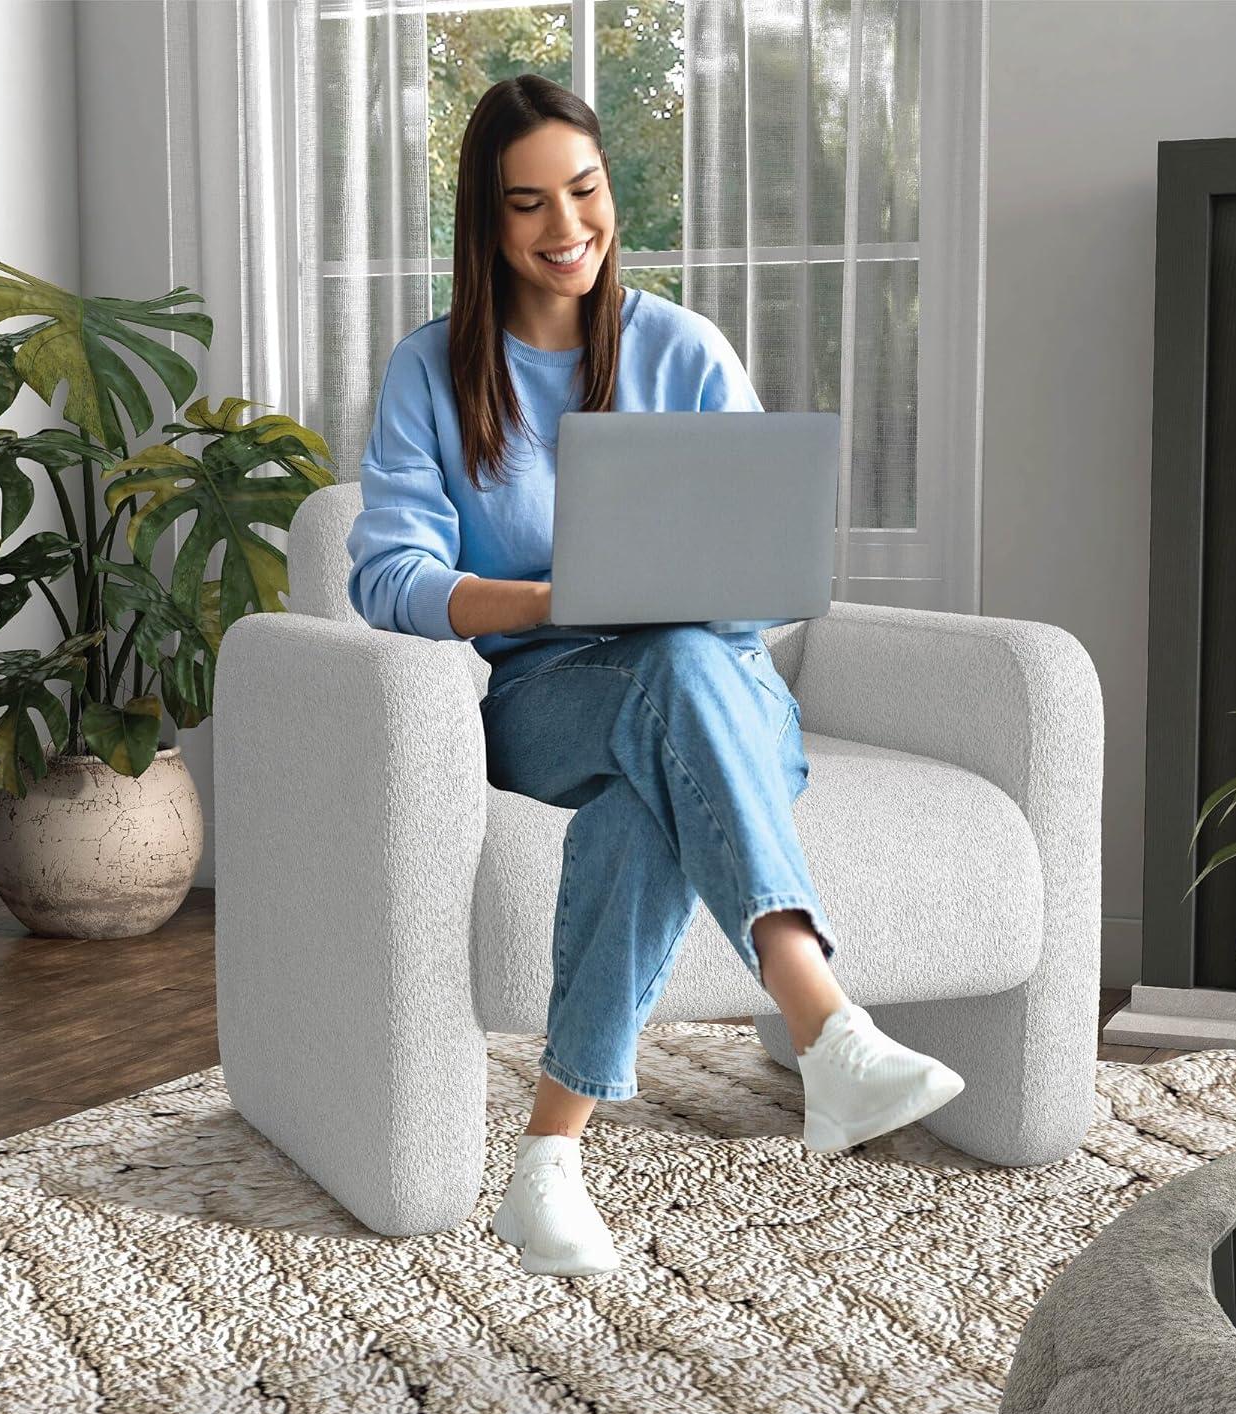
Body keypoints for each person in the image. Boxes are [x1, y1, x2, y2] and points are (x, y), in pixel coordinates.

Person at [347, 75, 964, 1278]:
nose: (564, 226)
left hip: (720, 689)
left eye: (584, 191)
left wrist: (693, 592)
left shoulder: (683, 347)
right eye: (528, 204)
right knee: (661, 676)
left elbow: (771, 578)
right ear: (488, 221)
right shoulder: (431, 371)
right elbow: (389, 577)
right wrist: (549, 601)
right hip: (546, 698)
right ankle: (822, 1022)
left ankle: (546, 1167)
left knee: (659, 756)